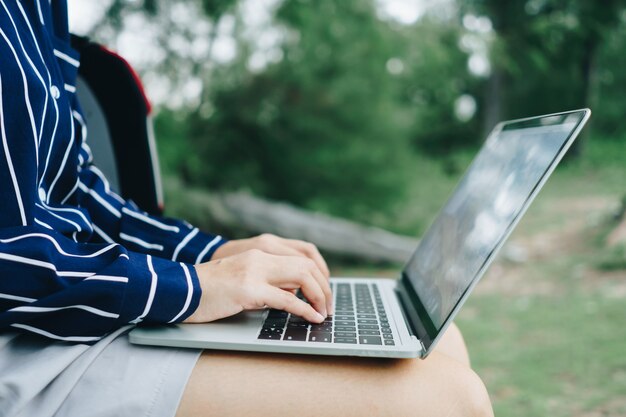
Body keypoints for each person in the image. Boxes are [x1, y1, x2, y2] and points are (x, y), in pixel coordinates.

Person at [0, 1, 494, 416]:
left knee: (441, 342)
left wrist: (214, 253)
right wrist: (190, 287)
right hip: (19, 337)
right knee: (447, 398)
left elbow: (74, 188)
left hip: (63, 304)